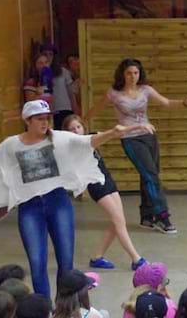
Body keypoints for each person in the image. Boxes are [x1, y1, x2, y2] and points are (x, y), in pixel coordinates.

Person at [0, 100, 142, 300]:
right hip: (30, 208)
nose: (45, 123)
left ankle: (65, 308)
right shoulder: (11, 145)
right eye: (39, 119)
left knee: (66, 262)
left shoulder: (59, 138)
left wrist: (112, 133)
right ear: (27, 120)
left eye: (47, 118)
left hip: (58, 203)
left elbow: (87, 141)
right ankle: (43, 308)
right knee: (37, 262)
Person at [89, 58, 187, 234]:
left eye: (136, 73)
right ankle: (162, 216)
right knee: (150, 175)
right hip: (130, 139)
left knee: (149, 175)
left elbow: (166, 103)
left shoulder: (146, 90)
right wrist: (78, 123)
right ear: (122, 74)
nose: (133, 76)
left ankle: (147, 216)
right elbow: (95, 110)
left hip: (149, 136)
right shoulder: (114, 93)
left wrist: (185, 102)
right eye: (129, 73)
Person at [63, 114, 147, 270]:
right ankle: (137, 260)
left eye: (78, 127)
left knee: (117, 222)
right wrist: (138, 126)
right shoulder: (75, 144)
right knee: (118, 222)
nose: (76, 131)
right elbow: (114, 132)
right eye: (72, 129)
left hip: (107, 179)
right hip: (97, 186)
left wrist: (137, 127)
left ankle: (97, 257)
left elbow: (115, 132)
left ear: (83, 126)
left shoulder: (90, 137)